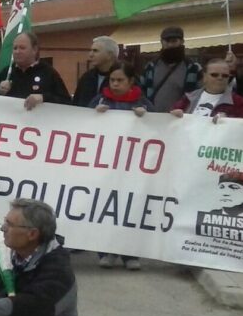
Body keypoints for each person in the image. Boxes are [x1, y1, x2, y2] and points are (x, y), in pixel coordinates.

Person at [88, 62, 153, 270]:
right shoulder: (99, 100)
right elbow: (81, 124)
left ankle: (130, 254)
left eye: (120, 80)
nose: (115, 84)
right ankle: (105, 251)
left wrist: (147, 117)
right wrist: (93, 114)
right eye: (112, 80)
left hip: (132, 166)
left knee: (130, 207)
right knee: (105, 207)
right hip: (106, 165)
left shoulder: (143, 103)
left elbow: (160, 128)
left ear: (131, 81)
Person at [0, 32, 71, 109]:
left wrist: (43, 98)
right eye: (15, 48)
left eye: (22, 48)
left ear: (35, 49)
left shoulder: (48, 72)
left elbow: (66, 101)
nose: (17, 51)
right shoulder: (6, 73)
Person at [139, 26, 202, 113]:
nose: (170, 45)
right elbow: (141, 92)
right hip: (153, 118)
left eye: (174, 41)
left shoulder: (193, 68)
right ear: (161, 42)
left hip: (181, 120)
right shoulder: (150, 67)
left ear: (182, 42)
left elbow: (199, 95)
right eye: (167, 41)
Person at [170, 57, 243, 120]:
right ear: (204, 76)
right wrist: (174, 115)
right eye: (214, 75)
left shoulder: (238, 102)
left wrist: (230, 121)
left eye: (225, 76)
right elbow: (171, 120)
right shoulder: (188, 98)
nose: (220, 78)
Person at [72, 36, 119, 107]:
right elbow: (76, 104)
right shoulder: (86, 77)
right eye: (90, 51)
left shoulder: (125, 77)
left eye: (95, 51)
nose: (90, 55)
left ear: (110, 55)